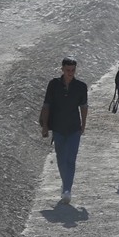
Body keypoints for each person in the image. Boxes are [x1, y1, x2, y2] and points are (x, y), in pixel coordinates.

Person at [39, 57, 88, 204]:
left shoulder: (81, 86)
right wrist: (45, 126)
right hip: (58, 128)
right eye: (68, 70)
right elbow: (46, 105)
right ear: (62, 69)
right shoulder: (53, 85)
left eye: (73, 70)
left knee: (71, 160)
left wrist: (83, 125)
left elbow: (84, 107)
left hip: (74, 128)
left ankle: (67, 189)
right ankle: (65, 183)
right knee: (61, 160)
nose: (70, 73)